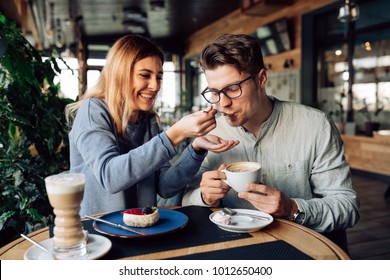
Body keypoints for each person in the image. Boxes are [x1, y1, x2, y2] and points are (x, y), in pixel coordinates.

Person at [182, 34, 359, 251]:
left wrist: (293, 208)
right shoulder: (211, 133)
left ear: (261, 79)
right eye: (214, 92)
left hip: (302, 249)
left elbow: (347, 207)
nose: (223, 103)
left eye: (232, 88)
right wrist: (205, 197)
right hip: (235, 250)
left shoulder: (315, 125)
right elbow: (186, 200)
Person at [65, 35, 238, 216]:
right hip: (97, 234)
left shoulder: (148, 121)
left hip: (141, 231)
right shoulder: (93, 111)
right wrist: (175, 134)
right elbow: (110, 177)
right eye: (145, 75)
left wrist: (196, 149)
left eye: (159, 77)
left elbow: (165, 187)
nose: (155, 86)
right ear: (119, 74)